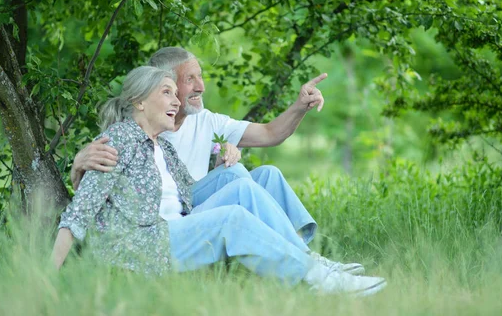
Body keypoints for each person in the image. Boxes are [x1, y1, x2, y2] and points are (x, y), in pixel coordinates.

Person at [52, 66, 387, 297]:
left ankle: (310, 263)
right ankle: (317, 280)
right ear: (139, 102)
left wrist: (223, 155)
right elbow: (77, 216)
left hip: (172, 228)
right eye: (167, 92)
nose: (176, 101)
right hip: (143, 245)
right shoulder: (116, 143)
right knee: (231, 218)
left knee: (241, 182)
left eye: (175, 93)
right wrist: (45, 278)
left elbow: (197, 192)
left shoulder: (162, 148)